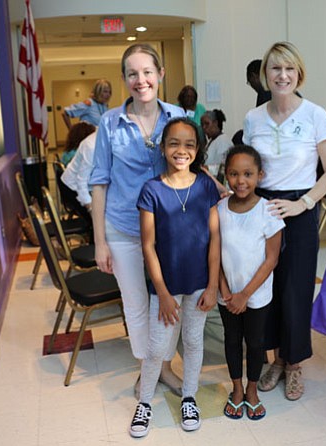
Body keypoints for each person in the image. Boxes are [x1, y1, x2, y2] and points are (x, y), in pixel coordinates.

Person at [242, 41, 326, 401]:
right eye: (274, 69)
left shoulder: (315, 115)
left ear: (299, 73)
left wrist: (304, 203)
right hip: (262, 210)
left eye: (289, 69)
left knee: (296, 289)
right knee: (265, 289)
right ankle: (275, 359)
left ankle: (294, 363)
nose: (282, 75)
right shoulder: (253, 118)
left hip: (300, 208)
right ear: (264, 75)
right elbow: (251, 168)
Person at [89, 44, 186, 400]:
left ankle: (163, 368)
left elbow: (191, 164)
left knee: (169, 300)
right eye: (132, 73)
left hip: (170, 229)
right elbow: (99, 182)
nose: (140, 80)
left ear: (160, 74)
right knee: (135, 303)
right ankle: (148, 368)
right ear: (124, 79)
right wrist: (100, 241)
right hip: (123, 228)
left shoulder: (177, 116)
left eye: (147, 72)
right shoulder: (110, 123)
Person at [129, 118, 220, 437]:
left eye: (189, 144)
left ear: (198, 149)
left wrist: (212, 284)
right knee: (157, 347)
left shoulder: (206, 185)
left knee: (194, 342)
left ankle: (190, 396)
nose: (181, 150)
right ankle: (144, 403)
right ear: (163, 147)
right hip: (165, 288)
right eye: (174, 143)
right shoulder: (151, 190)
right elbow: (148, 245)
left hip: (198, 285)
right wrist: (163, 293)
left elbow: (214, 239)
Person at [218, 145, 284, 421]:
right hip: (227, 294)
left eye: (248, 174)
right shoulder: (220, 208)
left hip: (255, 296)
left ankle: (252, 389)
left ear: (260, 175)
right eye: (233, 174)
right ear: (226, 175)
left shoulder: (268, 211)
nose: (240, 180)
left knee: (255, 344)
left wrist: (244, 295)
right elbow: (215, 254)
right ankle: (236, 388)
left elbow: (271, 260)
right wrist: (225, 291)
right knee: (232, 341)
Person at [61, 130, 97, 209]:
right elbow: (81, 181)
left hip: (90, 186)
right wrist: (90, 209)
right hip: (74, 187)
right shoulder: (91, 146)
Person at [200, 109, 232, 178]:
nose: (204, 128)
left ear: (215, 123)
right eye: (202, 125)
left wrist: (207, 168)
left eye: (207, 124)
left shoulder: (223, 141)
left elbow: (225, 167)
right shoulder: (212, 140)